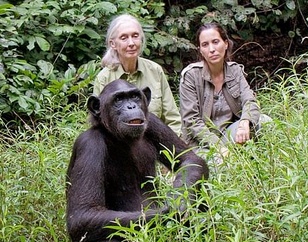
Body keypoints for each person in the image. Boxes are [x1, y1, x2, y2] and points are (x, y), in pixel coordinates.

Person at [179, 22, 269, 157]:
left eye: (216, 42)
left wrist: (245, 121)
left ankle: (264, 162)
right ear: (200, 50)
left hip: (228, 134)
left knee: (265, 122)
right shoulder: (191, 75)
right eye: (205, 45)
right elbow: (191, 120)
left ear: (225, 44)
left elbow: (250, 100)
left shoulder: (235, 71)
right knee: (220, 165)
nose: (211, 49)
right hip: (200, 143)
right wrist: (219, 147)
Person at [93, 14, 182, 136]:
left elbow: (173, 119)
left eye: (135, 36)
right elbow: (99, 125)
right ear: (113, 44)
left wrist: (172, 148)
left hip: (157, 143)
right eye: (124, 38)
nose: (131, 43)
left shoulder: (155, 70)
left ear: (141, 39)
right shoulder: (104, 78)